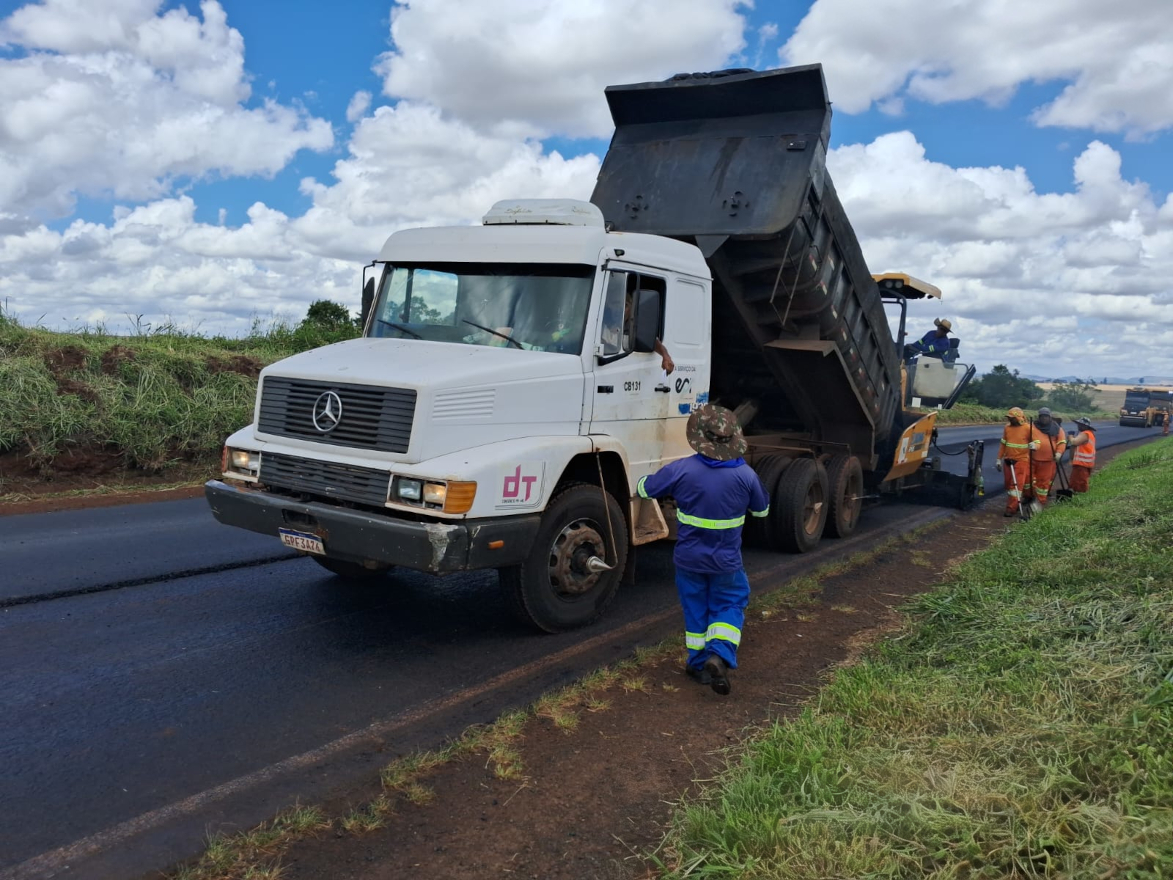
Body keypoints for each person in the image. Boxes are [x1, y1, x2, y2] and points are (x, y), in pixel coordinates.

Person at [636, 405, 769, 696]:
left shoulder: (682, 469)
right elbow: (762, 511)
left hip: (688, 560)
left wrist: (641, 478)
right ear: (733, 440)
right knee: (730, 604)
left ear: (700, 438)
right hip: (726, 562)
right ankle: (718, 654)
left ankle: (697, 665)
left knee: (695, 611)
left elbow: (646, 489)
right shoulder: (746, 476)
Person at [602, 287, 674, 373]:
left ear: (632, 307)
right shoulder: (601, 326)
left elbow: (652, 341)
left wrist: (666, 356)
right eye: (614, 304)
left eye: (625, 305)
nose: (619, 309)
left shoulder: (635, 326)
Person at [995, 406, 1043, 516]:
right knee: (1008, 485)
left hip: (1021, 461)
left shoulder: (1028, 428)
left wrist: (1034, 445)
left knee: (1015, 486)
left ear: (1019, 418)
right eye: (1009, 418)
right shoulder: (1007, 428)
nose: (1010, 420)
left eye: (1012, 418)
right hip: (1008, 460)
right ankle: (1016, 503)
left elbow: (1038, 442)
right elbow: (1003, 444)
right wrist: (999, 458)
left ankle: (1011, 509)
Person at [1028, 407, 1066, 508]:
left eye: (1046, 416)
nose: (1044, 418)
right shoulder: (1032, 427)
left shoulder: (1057, 429)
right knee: (1029, 480)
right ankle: (1029, 497)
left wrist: (1059, 453)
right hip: (1032, 459)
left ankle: (1040, 502)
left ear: (1050, 417)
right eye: (1042, 416)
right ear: (1039, 417)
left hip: (1048, 461)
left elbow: (1062, 442)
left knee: (1043, 483)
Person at [1067, 417, 1097, 493]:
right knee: (1077, 480)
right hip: (1086, 463)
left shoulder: (1085, 434)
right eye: (1079, 424)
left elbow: (1074, 442)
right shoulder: (1090, 434)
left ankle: (1079, 495)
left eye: (1081, 425)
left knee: (1079, 482)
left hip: (1082, 463)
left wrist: (1070, 436)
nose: (1079, 426)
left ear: (1086, 426)